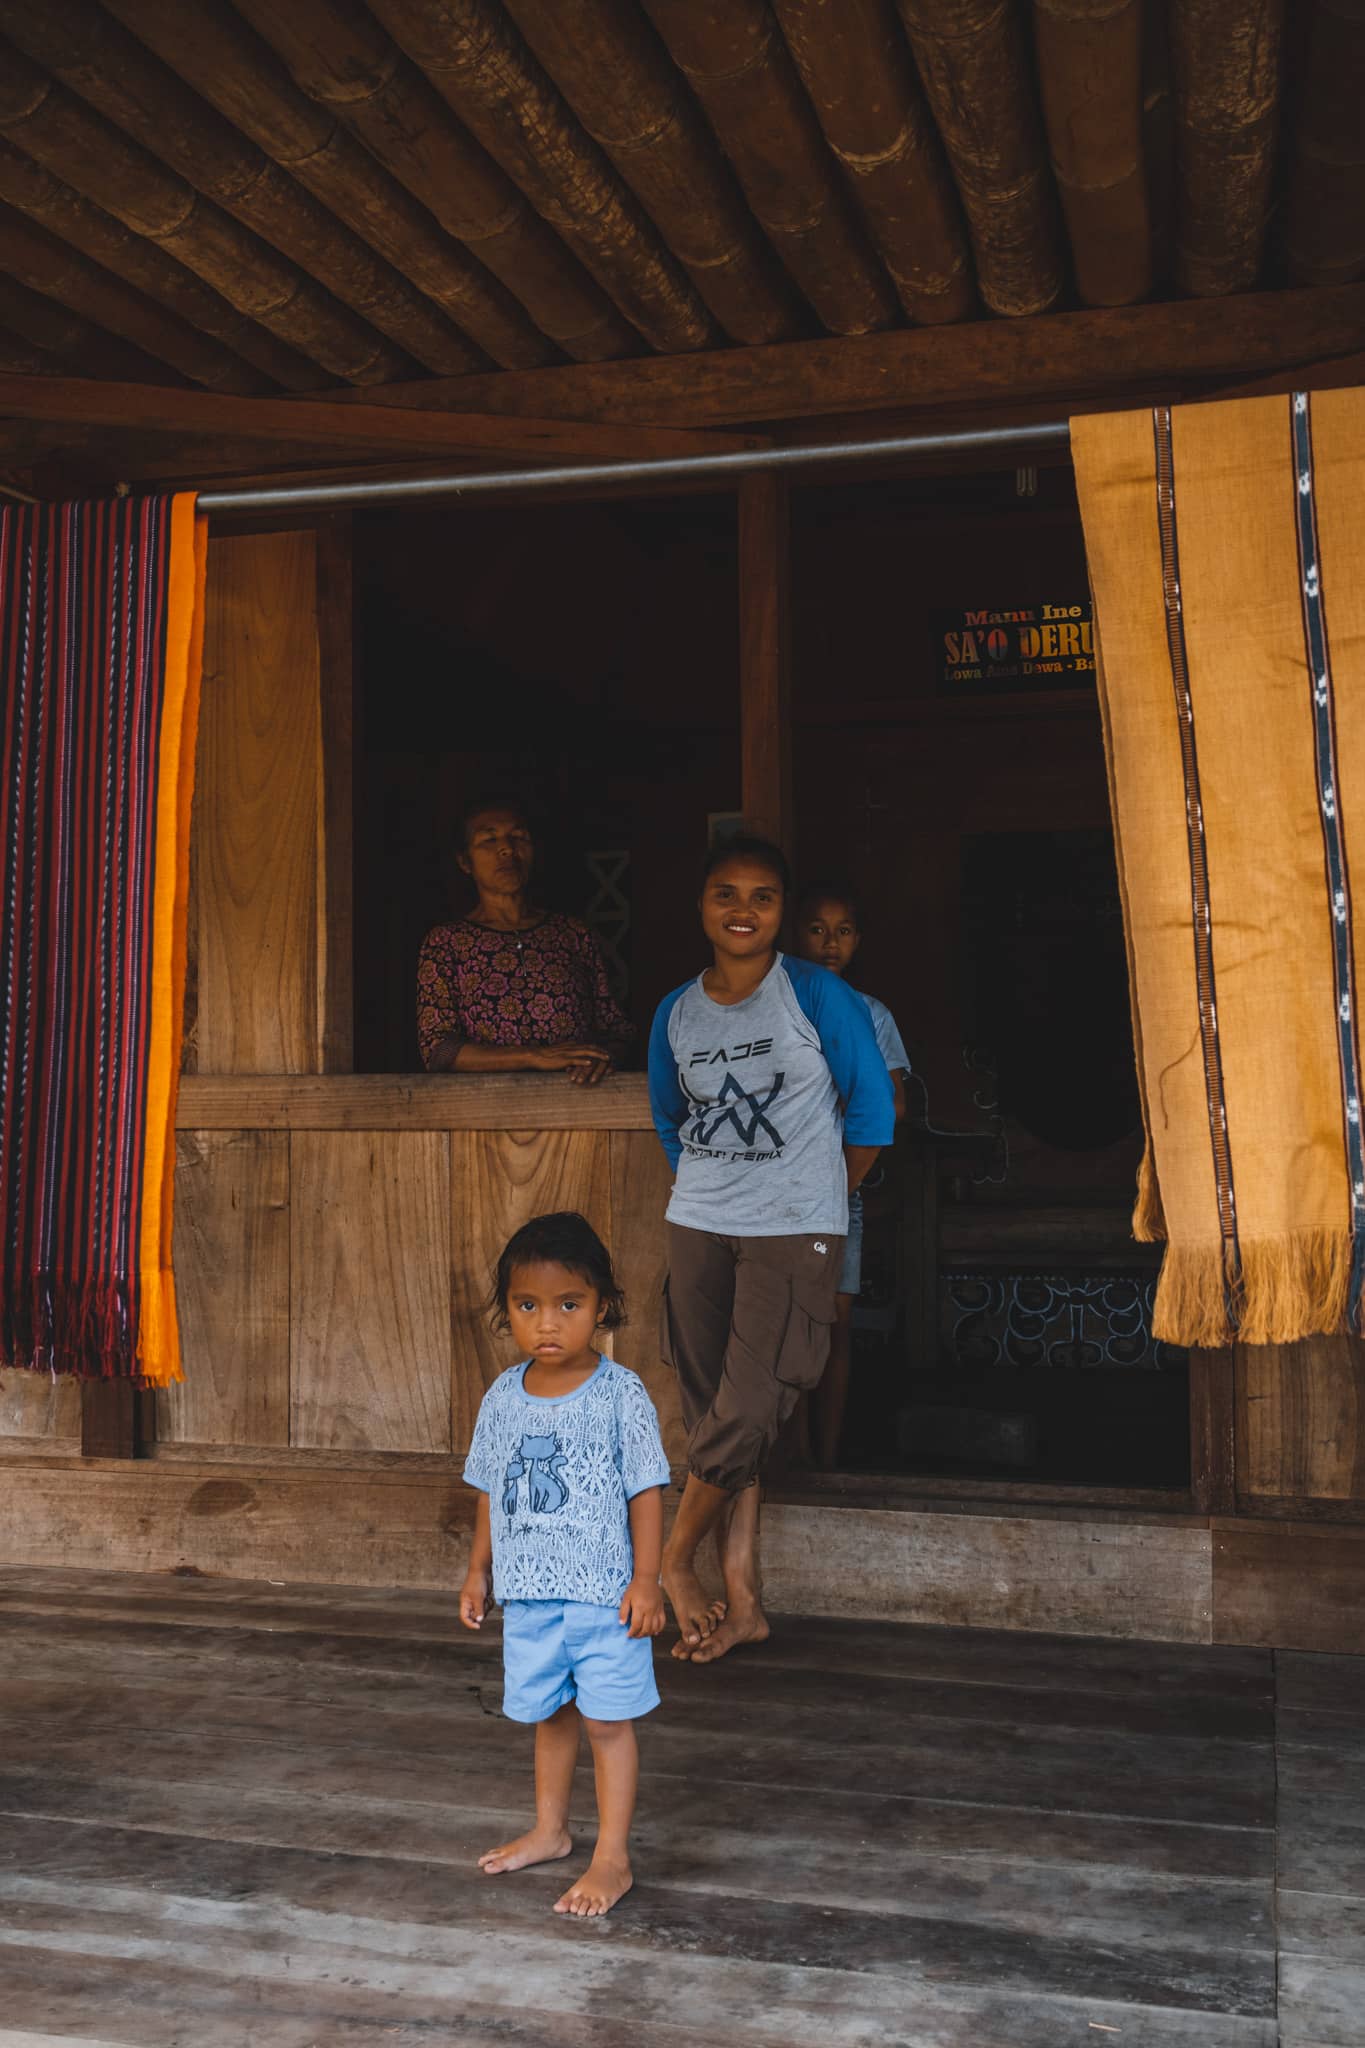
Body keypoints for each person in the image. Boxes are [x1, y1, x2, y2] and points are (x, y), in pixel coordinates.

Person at [648, 835, 895, 1665]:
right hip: (700, 1223)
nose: (742, 910)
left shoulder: (817, 995)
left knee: (752, 1403)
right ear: (701, 907)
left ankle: (674, 1563)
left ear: (780, 912)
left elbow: (870, 1115)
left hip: (795, 1226)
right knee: (712, 1401)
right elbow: (667, 1118)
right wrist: (716, 1186)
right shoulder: (676, 1011)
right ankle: (744, 1597)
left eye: (761, 896)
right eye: (725, 893)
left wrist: (819, 1194)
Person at [459, 1211, 669, 1918]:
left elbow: (645, 1488)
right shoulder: (502, 1397)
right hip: (528, 1597)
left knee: (608, 1723)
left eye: (568, 1305)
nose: (547, 1324)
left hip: (606, 1597)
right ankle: (551, 1830)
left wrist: (646, 1580)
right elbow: (491, 1486)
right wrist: (478, 1570)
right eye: (527, 1306)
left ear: (601, 1307)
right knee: (549, 1715)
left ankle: (612, 1856)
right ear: (507, 1311)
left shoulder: (620, 1394)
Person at [795, 881, 911, 1468]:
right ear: (796, 933)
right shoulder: (778, 1003)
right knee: (786, 1327)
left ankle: (828, 1461)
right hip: (778, 1191)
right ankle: (788, 1456)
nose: (829, 942)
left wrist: (840, 1181)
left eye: (842, 931)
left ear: (858, 940)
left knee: (834, 1329)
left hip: (842, 1191)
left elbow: (892, 1104)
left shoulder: (871, 1013)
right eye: (817, 928)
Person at [418, 798, 633, 1084]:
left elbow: (616, 1031)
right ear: (464, 862)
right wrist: (535, 1056)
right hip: (484, 1115)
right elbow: (439, 1051)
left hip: (578, 1108)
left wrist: (601, 1061)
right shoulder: (446, 942)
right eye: (488, 839)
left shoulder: (572, 934)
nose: (507, 848)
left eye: (519, 837)